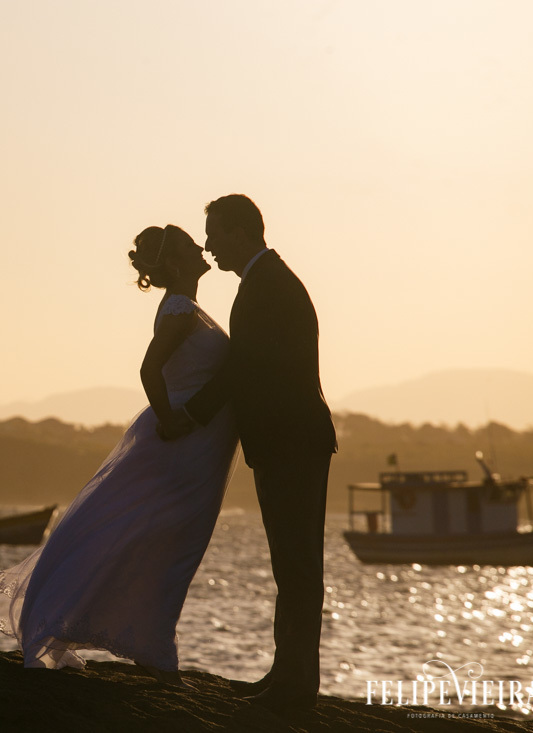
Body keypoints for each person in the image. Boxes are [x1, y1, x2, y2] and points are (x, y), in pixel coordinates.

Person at [0, 224, 238, 684]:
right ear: (174, 262)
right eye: (192, 245)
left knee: (160, 539)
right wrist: (170, 418)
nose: (202, 247)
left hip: (198, 445)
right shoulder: (179, 308)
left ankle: (146, 638)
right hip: (181, 444)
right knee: (166, 541)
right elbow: (149, 367)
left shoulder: (188, 307)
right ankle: (151, 645)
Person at [171, 194, 336, 713]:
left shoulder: (267, 286)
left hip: (292, 443)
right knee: (290, 563)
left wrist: (189, 416)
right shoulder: (265, 282)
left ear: (242, 232)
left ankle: (295, 685)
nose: (208, 244)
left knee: (297, 564)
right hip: (287, 442)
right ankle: (287, 675)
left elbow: (241, 368)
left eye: (215, 233)